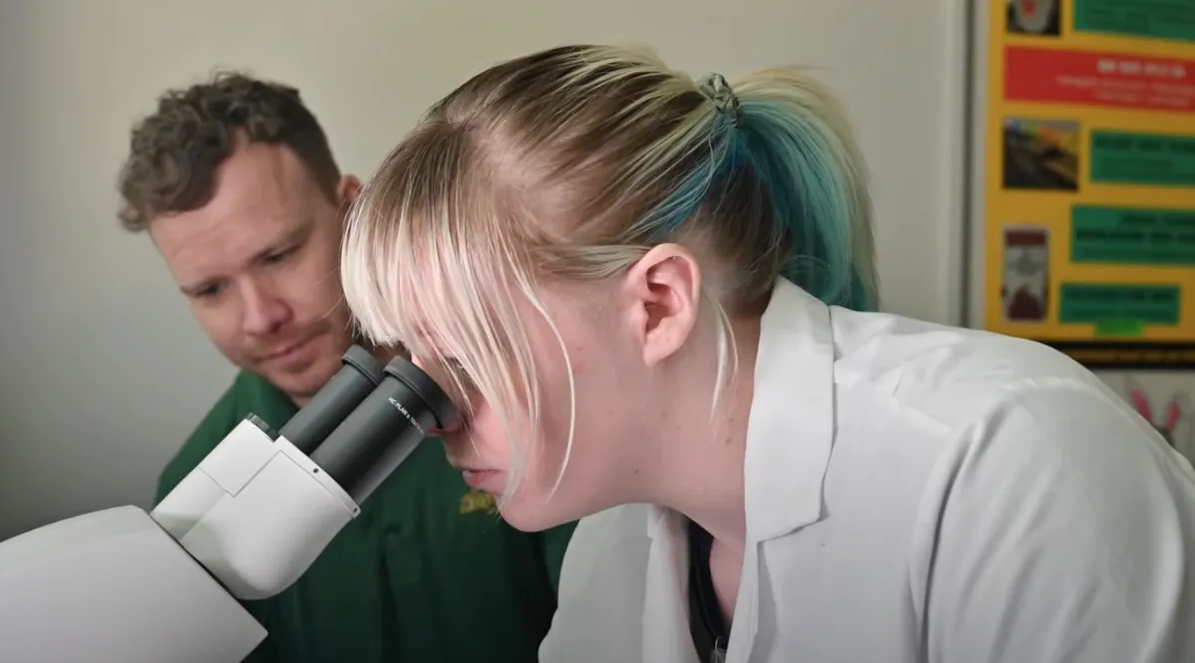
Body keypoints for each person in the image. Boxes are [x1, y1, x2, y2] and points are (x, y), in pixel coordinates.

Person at [337, 43, 1195, 663]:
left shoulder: (1008, 461)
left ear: (660, 303)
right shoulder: (620, 544)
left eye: (467, 352)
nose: (431, 411)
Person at [115, 71, 575, 663]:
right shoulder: (190, 495)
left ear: (353, 212)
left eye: (278, 256)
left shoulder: (527, 401)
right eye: (210, 290)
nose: (259, 318)